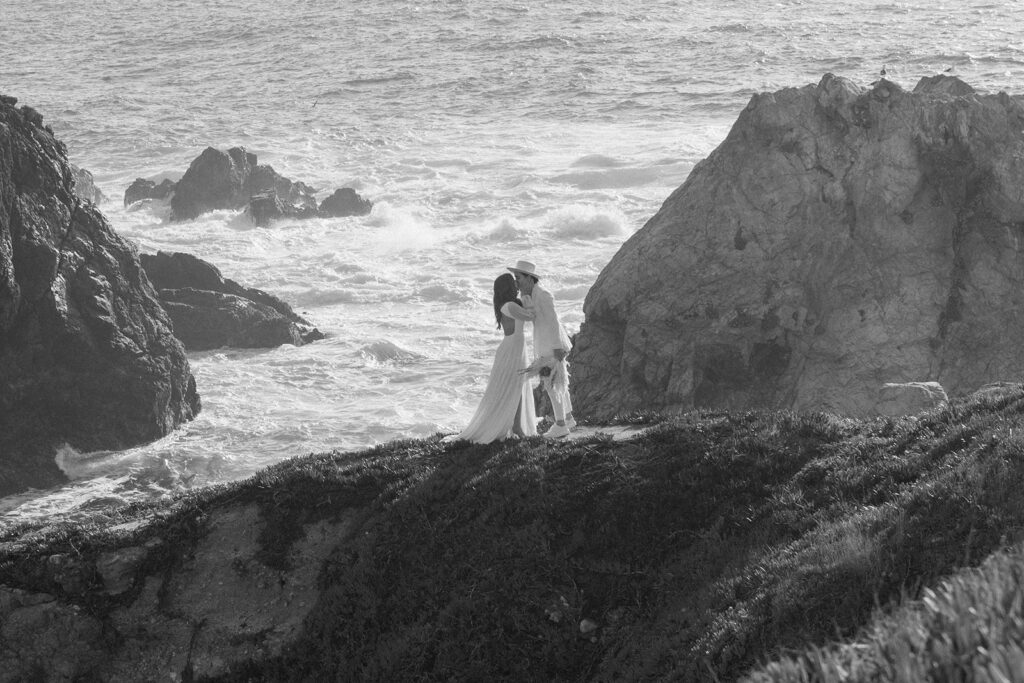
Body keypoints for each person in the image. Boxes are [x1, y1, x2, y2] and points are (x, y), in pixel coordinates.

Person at [446, 273, 537, 444]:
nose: (517, 284)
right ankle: (515, 427)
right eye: (514, 282)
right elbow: (530, 316)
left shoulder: (509, 304)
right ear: (508, 288)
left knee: (518, 387)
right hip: (511, 350)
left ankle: (517, 426)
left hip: (516, 348)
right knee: (513, 386)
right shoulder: (509, 306)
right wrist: (527, 297)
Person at [506, 260, 576, 438]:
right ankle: (568, 418)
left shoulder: (543, 295)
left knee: (552, 384)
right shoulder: (529, 296)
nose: (517, 282)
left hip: (552, 347)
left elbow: (553, 323)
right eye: (515, 278)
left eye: (519, 278)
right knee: (559, 382)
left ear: (530, 279)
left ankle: (560, 425)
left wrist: (557, 348)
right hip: (546, 345)